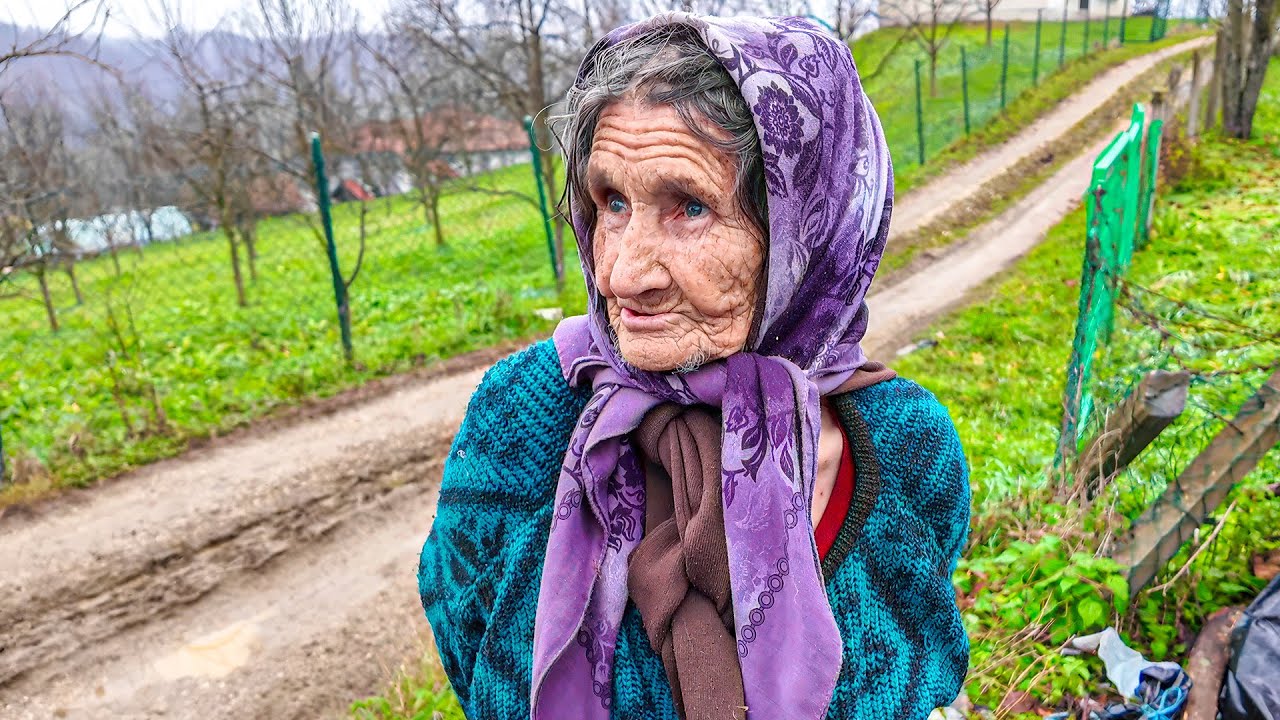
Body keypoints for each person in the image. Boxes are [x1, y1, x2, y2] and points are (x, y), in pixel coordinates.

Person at [418, 12, 970, 720]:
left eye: (689, 208)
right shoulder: (519, 419)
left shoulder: (903, 447)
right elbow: (464, 635)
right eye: (611, 202)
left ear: (809, 227)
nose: (620, 273)